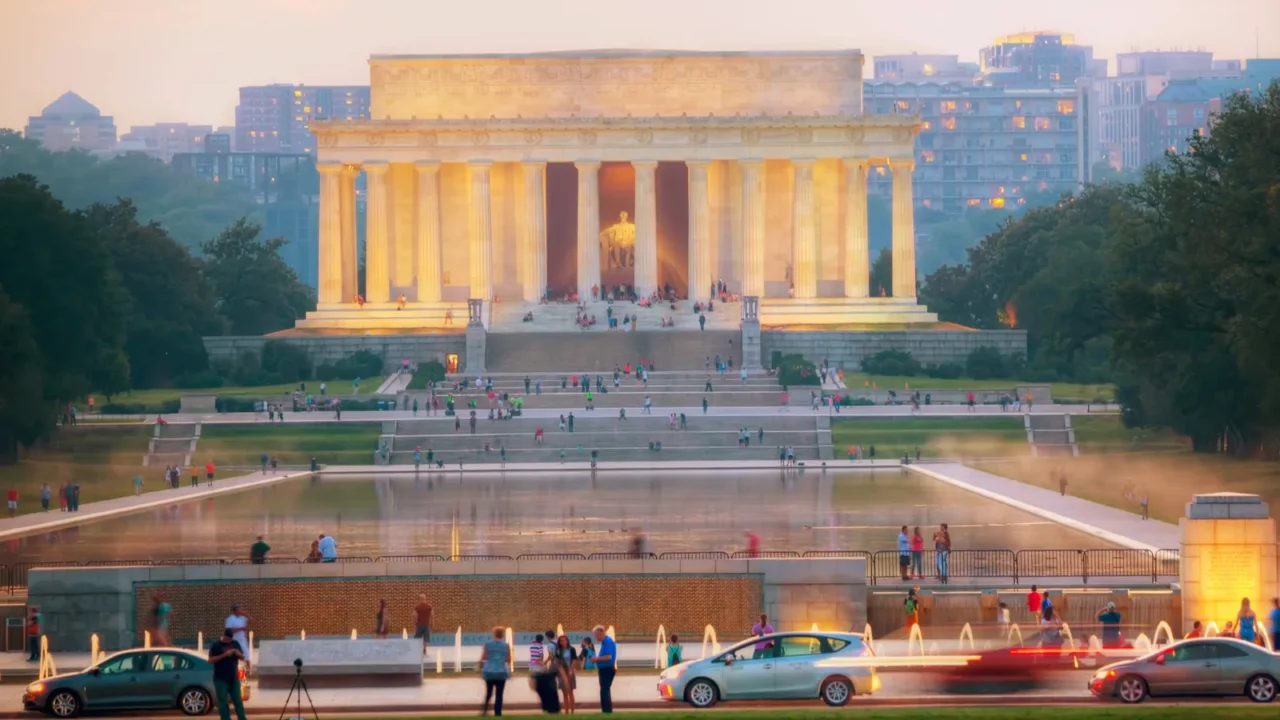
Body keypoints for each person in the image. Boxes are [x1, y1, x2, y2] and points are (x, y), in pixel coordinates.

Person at [208, 628, 247, 720]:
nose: (229, 641)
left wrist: (238, 653)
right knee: (222, 701)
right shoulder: (216, 645)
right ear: (224, 636)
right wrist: (224, 655)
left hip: (233, 677)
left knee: (237, 700)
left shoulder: (235, 644)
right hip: (220, 678)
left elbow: (242, 657)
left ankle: (242, 718)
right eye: (227, 639)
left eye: (230, 639)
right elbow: (211, 660)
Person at [479, 626, 510, 716]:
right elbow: (508, 659)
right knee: (499, 694)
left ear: (494, 634)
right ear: (503, 635)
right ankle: (498, 712)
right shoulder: (506, 645)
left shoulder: (487, 644)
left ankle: (485, 710)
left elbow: (483, 657)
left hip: (489, 671)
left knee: (488, 692)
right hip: (501, 672)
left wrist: (481, 666)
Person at [593, 625, 616, 714]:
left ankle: (606, 710)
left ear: (600, 633)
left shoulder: (607, 642)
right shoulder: (605, 642)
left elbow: (608, 657)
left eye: (596, 635)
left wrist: (596, 659)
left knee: (604, 690)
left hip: (607, 669)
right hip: (604, 669)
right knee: (605, 690)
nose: (595, 637)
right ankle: (606, 710)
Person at [555, 633, 578, 714]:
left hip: (570, 672)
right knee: (564, 693)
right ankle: (566, 712)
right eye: (561, 641)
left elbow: (575, 660)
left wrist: (571, 671)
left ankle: (572, 711)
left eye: (564, 640)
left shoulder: (572, 649)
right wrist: (562, 674)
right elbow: (557, 663)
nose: (563, 642)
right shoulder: (558, 651)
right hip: (562, 673)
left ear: (567, 641)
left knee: (570, 692)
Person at [225, 604, 252, 671]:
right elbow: (229, 630)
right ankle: (233, 670)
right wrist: (240, 629)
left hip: (242, 639)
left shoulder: (242, 618)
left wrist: (246, 614)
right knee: (233, 655)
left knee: (246, 654)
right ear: (234, 611)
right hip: (233, 640)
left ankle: (249, 670)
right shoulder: (230, 619)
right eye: (239, 610)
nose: (240, 611)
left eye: (241, 609)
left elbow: (252, 621)